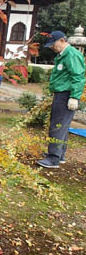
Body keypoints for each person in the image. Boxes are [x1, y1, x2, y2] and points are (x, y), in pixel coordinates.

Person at [36, 31, 85, 168]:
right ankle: (60, 155)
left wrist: (74, 97)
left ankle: (53, 159)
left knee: (57, 125)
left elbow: (78, 77)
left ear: (62, 40)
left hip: (66, 95)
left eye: (54, 44)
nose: (52, 47)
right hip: (61, 94)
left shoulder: (72, 55)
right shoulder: (62, 55)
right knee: (62, 126)